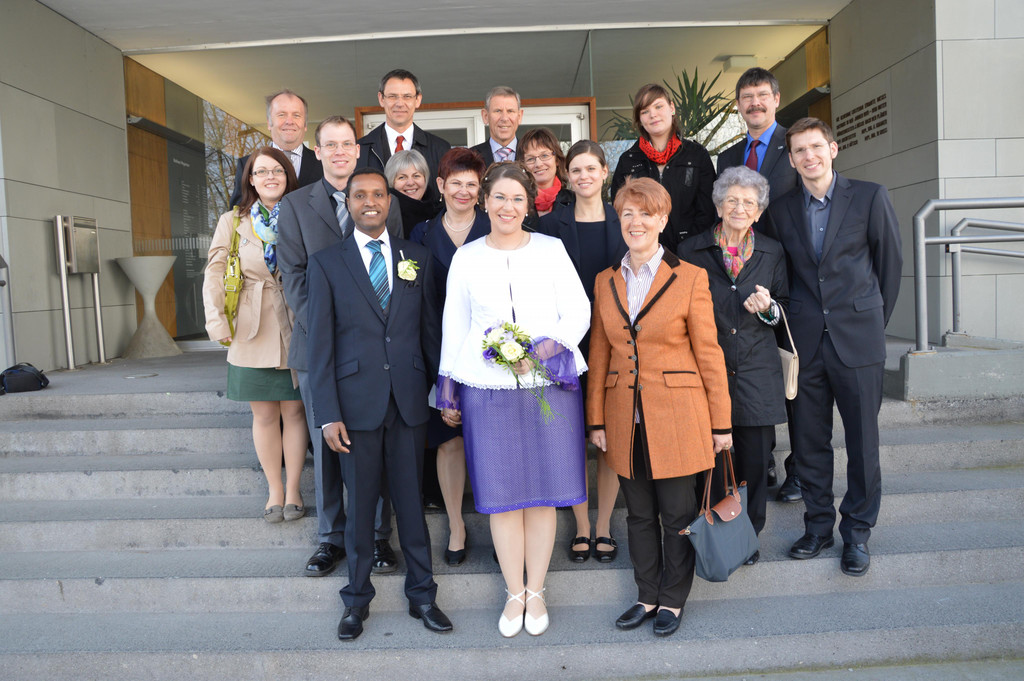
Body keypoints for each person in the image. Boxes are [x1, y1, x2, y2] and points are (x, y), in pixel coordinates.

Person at [437, 162, 590, 638]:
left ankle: (537, 590)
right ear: (485, 202)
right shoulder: (466, 258)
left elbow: (578, 310)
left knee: (542, 494)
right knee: (503, 498)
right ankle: (514, 592)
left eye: (517, 198)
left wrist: (539, 352)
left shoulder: (551, 249)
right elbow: (454, 325)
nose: (508, 206)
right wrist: (448, 388)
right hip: (487, 390)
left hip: (548, 384)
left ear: (529, 204)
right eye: (500, 197)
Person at [306, 167, 450, 641]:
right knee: (362, 509)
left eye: (378, 194)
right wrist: (327, 414)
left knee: (411, 506)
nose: (370, 201)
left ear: (390, 202)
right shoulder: (327, 263)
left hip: (408, 403)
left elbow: (430, 334)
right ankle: (355, 601)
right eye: (359, 195)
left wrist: (443, 392)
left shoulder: (418, 258)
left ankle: (423, 596)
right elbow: (320, 347)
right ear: (348, 203)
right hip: (354, 407)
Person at [587, 177, 732, 637]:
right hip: (623, 418)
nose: (636, 222)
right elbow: (599, 354)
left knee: (676, 516)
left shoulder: (690, 277)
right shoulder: (605, 280)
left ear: (663, 220)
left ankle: (672, 599)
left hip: (678, 416)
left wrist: (721, 423)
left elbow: (709, 354)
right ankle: (646, 595)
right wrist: (595, 418)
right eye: (627, 213)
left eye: (646, 213)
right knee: (637, 516)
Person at [766, 117, 902, 577]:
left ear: (833, 149)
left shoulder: (869, 196)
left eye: (815, 147)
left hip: (858, 341)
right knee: (808, 442)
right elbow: (782, 274)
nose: (809, 156)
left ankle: (857, 533)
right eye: (799, 151)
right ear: (790, 160)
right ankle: (819, 526)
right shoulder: (781, 210)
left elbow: (889, 266)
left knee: (863, 444)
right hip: (805, 343)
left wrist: (871, 322)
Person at [277, 116, 402, 579]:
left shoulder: (383, 198)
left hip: (377, 350)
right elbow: (293, 275)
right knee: (327, 443)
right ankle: (331, 538)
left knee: (376, 442)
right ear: (318, 151)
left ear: (358, 148)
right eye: (330, 144)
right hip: (318, 345)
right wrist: (332, 326)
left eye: (347, 143)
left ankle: (377, 535)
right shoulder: (296, 205)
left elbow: (394, 264)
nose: (340, 151)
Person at [678, 166, 789, 564]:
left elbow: (785, 308)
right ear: (718, 205)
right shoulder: (691, 250)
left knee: (755, 463)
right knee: (709, 461)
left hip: (757, 371)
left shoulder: (773, 251)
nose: (740, 208)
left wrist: (769, 308)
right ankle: (712, 533)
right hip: (707, 371)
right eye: (732, 200)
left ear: (758, 212)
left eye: (749, 203)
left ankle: (748, 538)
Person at [203, 147, 308, 523]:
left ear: (288, 176)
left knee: (295, 411)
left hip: (297, 321)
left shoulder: (303, 214)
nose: (270, 177)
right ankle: (274, 490)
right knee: (264, 414)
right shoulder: (232, 221)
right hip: (251, 327)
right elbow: (215, 273)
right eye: (261, 171)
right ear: (250, 179)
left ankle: (293, 489)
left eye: (277, 170)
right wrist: (217, 322)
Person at [537, 140, 627, 564]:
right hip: (565, 343)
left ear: (605, 172)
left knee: (610, 437)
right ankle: (581, 526)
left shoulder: (626, 220)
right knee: (570, 437)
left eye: (592, 168)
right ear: (566, 176)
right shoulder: (549, 225)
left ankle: (604, 524)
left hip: (615, 343)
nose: (584, 176)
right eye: (576, 170)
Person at [716, 66, 801, 502]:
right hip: (738, 269)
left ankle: (798, 468)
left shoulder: (794, 144)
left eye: (762, 95)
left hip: (787, 268)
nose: (755, 103)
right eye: (747, 97)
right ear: (738, 104)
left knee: (790, 369)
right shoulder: (728, 155)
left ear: (776, 99)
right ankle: (760, 457)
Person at [409, 147, 490, 566]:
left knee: (491, 439)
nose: (463, 190)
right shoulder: (421, 234)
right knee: (448, 439)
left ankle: (499, 523)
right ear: (440, 185)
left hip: (491, 352)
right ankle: (457, 525)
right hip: (438, 349)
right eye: (455, 182)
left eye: (471, 184)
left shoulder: (497, 226)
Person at [610, 83, 716, 252]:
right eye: (645, 111)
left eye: (658, 106)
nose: (653, 115)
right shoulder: (628, 160)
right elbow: (621, 212)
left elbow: (708, 210)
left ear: (671, 108)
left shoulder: (696, 155)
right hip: (644, 252)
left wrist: (689, 248)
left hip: (691, 253)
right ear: (640, 120)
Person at [229, 90, 323, 209]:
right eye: (281, 115)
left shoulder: (323, 163)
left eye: (296, 115)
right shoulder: (247, 164)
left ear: (305, 124)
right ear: (269, 123)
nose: (289, 121)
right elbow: (239, 212)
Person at [356, 69, 452, 184]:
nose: (400, 103)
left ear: (418, 100)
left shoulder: (440, 149)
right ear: (381, 99)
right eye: (392, 96)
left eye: (407, 96)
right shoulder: (360, 150)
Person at [385, 149, 442, 237]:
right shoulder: (384, 216)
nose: (410, 183)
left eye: (416, 176)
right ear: (391, 181)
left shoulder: (440, 214)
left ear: (425, 178)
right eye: (402, 177)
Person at [520, 127, 572, 217]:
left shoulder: (574, 201)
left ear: (557, 160)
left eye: (544, 155)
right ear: (523, 166)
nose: (538, 164)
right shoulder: (517, 203)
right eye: (530, 159)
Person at [470, 86, 524, 165]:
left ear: (519, 117)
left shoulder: (532, 155)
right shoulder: (470, 157)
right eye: (498, 111)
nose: (504, 118)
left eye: (510, 111)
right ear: (485, 116)